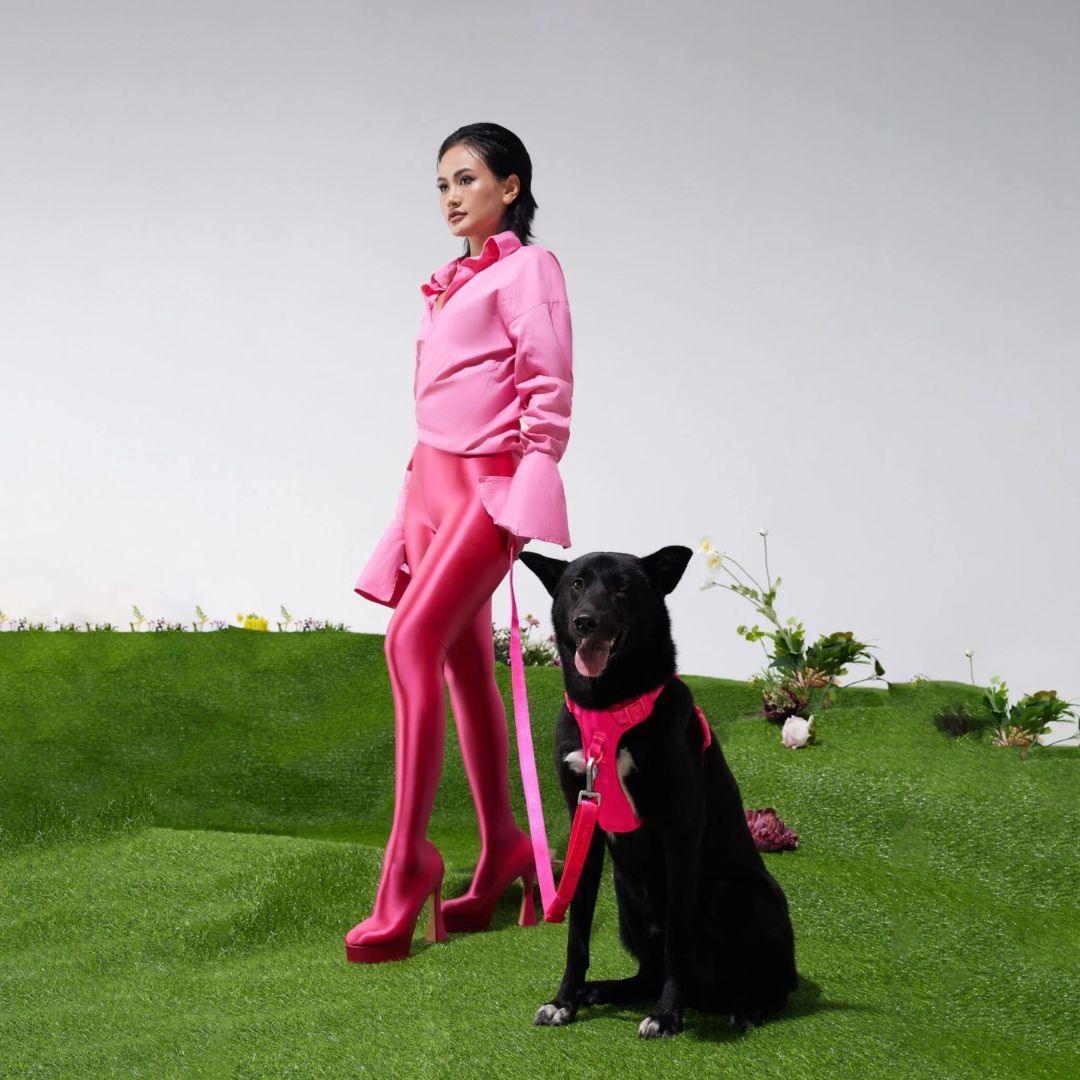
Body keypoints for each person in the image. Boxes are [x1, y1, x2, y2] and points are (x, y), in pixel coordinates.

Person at [346, 123, 574, 963]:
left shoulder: (530, 269)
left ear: (510, 187)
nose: (450, 196)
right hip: (428, 486)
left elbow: (548, 383)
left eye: (467, 179)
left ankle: (408, 864)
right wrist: (410, 500)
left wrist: (532, 479)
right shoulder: (448, 282)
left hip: (488, 486)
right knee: (463, 663)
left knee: (409, 641)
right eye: (442, 183)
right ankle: (505, 844)